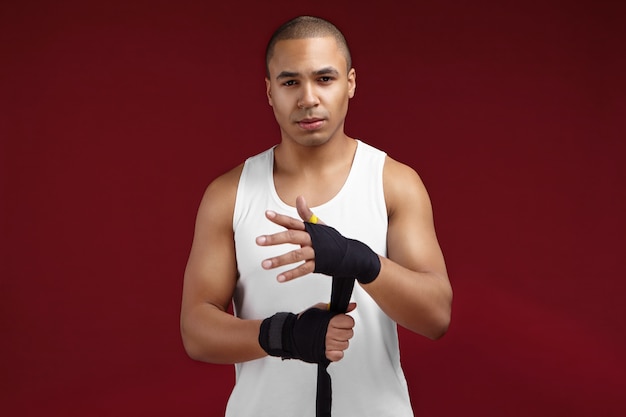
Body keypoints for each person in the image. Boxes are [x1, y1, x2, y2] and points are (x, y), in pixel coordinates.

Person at [180, 15, 452, 417]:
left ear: (351, 83)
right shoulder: (229, 194)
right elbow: (196, 332)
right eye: (291, 82)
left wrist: (360, 260)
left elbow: (436, 317)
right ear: (270, 91)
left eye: (325, 79)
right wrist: (286, 335)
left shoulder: (393, 183)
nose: (308, 98)